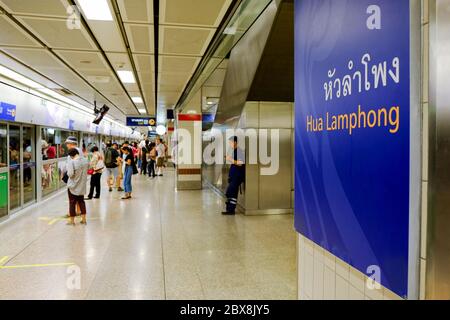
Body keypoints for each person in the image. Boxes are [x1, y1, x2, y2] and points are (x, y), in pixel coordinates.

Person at [222, 136, 246, 215]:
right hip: (233, 176)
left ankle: (231, 210)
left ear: (235, 142)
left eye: (230, 142)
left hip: (237, 177)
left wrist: (230, 159)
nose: (230, 144)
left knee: (232, 192)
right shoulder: (235, 151)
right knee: (229, 192)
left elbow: (241, 163)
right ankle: (229, 209)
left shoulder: (239, 151)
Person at [66, 148, 89, 225]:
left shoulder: (71, 162)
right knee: (81, 202)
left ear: (71, 156)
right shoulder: (85, 160)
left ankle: (72, 221)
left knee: (72, 203)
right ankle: (84, 220)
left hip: (73, 186)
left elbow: (70, 174)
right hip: (82, 186)